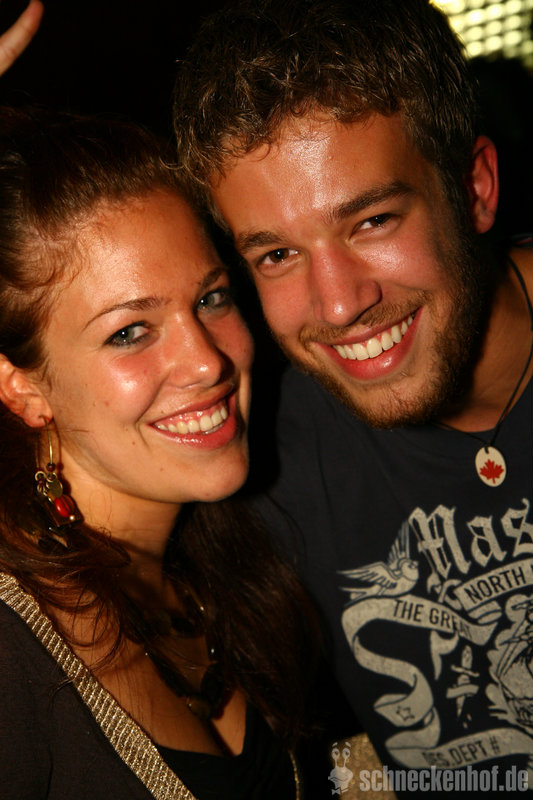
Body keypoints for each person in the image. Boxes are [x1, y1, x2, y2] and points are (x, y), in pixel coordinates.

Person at [173, 0, 533, 794]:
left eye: (371, 221)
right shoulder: (254, 455)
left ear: (474, 189)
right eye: (275, 255)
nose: (337, 305)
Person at [0, 106, 316, 799]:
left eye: (211, 298)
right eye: (130, 332)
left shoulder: (233, 556)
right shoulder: (12, 643)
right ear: (21, 386)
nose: (207, 361)